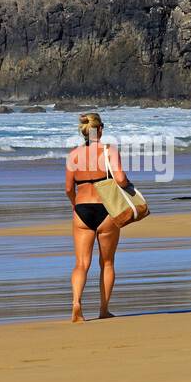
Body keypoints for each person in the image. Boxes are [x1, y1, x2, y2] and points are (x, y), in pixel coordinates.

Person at [65, 112, 125, 323]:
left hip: (81, 210)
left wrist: (75, 205)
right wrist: (129, 190)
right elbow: (120, 178)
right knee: (107, 263)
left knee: (81, 263)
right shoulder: (109, 151)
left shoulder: (73, 155)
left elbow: (68, 188)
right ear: (100, 129)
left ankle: (76, 304)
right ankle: (104, 309)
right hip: (106, 208)